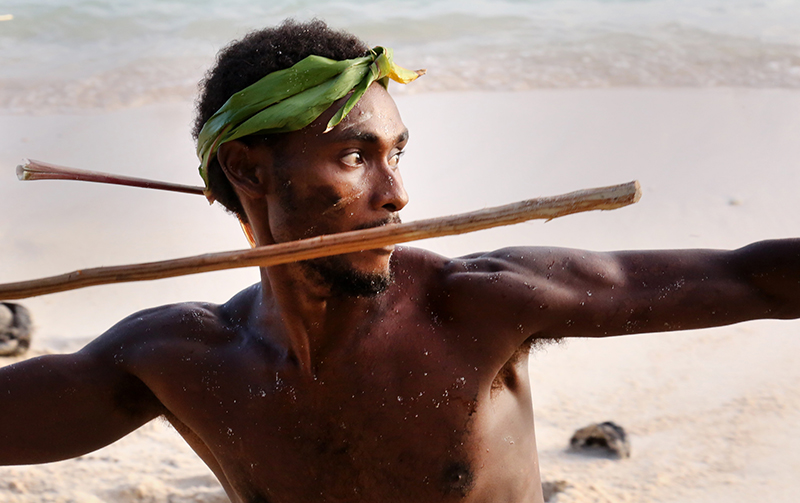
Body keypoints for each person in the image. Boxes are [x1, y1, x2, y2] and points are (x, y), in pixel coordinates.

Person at [1, 19, 799, 503]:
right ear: (248, 171)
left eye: (397, 153)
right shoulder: (179, 359)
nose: (397, 194)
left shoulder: (479, 303)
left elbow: (750, 278)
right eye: (356, 156)